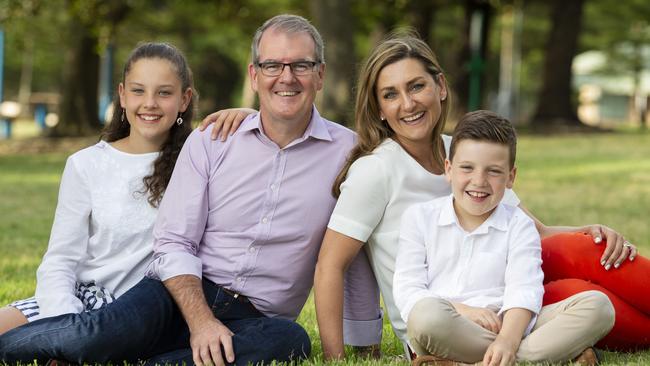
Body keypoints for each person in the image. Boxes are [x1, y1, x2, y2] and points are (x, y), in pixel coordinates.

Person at [0, 14, 382, 365]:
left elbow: (352, 247)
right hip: (176, 293)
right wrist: (201, 321)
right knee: (92, 337)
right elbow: (173, 243)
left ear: (320, 74)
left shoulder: (348, 154)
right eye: (272, 65)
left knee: (290, 341)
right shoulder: (214, 140)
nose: (287, 76)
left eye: (301, 65)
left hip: (257, 317)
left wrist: (365, 340)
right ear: (254, 74)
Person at [312, 31, 645, 361]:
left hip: (507, 307)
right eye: (390, 95)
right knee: (438, 315)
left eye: (416, 86)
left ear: (440, 87)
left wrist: (592, 230)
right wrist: (335, 357)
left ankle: (497, 356)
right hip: (445, 322)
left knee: (588, 271)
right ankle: (532, 354)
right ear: (380, 109)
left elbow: (535, 232)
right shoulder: (376, 170)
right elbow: (331, 264)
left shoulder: (460, 149)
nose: (408, 103)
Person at [0, 42, 194, 335]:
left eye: (164, 92)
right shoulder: (86, 164)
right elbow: (61, 258)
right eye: (138, 90)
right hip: (79, 301)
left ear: (184, 99)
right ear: (122, 95)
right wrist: (66, 323)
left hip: (143, 311)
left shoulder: (197, 161)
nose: (150, 103)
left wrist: (242, 111)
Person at [393, 110, 613, 366]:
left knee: (598, 306)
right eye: (467, 168)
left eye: (494, 171)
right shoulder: (419, 218)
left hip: (510, 323)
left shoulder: (518, 225)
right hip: (448, 325)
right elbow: (408, 290)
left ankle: (465, 363)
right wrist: (464, 311)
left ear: (510, 178)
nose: (479, 181)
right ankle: (539, 356)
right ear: (448, 169)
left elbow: (524, 288)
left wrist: (507, 340)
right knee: (425, 316)